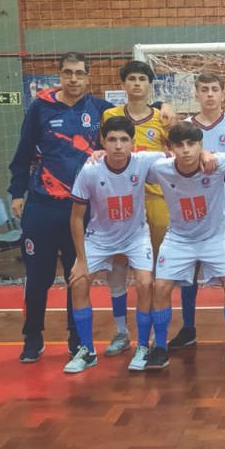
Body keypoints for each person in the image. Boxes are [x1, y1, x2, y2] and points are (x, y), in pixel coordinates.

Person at [9, 51, 114, 363]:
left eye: (79, 73)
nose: (73, 79)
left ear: (88, 76)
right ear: (60, 75)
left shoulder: (100, 110)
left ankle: (76, 338)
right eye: (68, 72)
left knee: (77, 275)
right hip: (41, 206)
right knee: (38, 276)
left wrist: (164, 109)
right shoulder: (40, 108)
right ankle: (33, 337)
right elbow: (23, 153)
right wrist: (17, 192)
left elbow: (133, 118)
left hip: (81, 210)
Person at [65, 116, 165, 374]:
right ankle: (86, 350)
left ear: (133, 143)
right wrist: (81, 260)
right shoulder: (90, 170)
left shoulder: (145, 161)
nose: (118, 145)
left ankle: (143, 346)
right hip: (99, 237)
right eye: (112, 140)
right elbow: (76, 217)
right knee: (78, 281)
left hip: (135, 236)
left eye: (124, 140)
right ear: (102, 142)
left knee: (145, 282)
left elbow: (176, 154)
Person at [145, 123, 225, 369]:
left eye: (192, 144)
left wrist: (209, 154)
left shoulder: (218, 163)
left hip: (215, 237)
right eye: (179, 145)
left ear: (201, 146)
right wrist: (100, 153)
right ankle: (159, 347)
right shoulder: (160, 167)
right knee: (160, 286)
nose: (186, 150)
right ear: (170, 148)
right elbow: (126, 158)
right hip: (179, 238)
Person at [168, 72, 225, 351]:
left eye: (215, 89)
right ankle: (188, 327)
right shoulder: (185, 128)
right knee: (189, 274)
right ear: (197, 94)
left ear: (223, 94)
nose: (210, 94)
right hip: (192, 210)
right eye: (204, 89)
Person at [100, 60, 171, 358]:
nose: (137, 84)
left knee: (151, 271)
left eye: (143, 78)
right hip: (120, 202)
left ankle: (152, 330)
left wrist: (167, 108)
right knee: (117, 269)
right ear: (124, 84)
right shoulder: (110, 115)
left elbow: (171, 156)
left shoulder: (163, 118)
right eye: (131, 79)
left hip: (155, 201)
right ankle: (120, 331)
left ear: (150, 85)